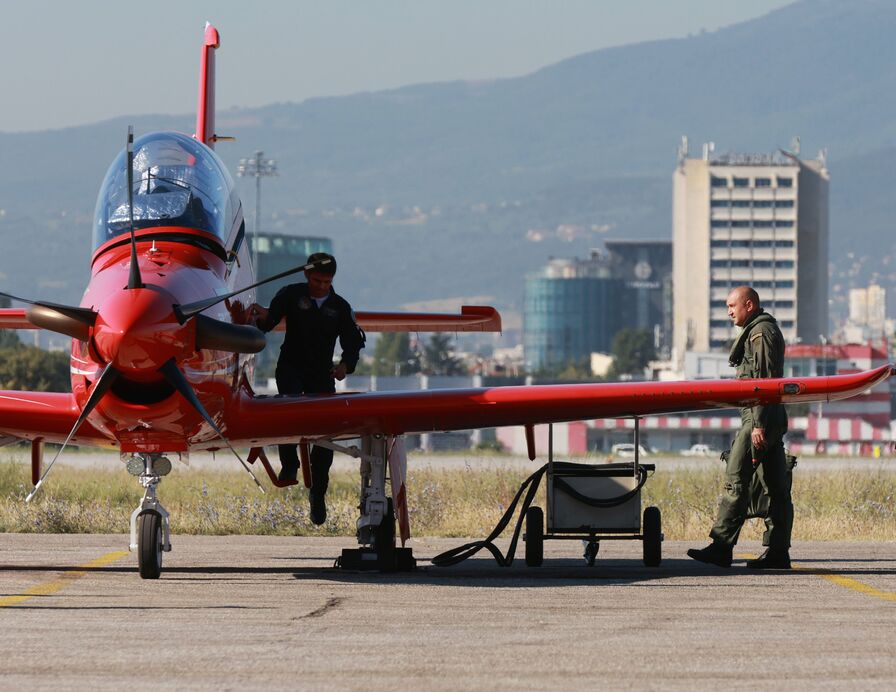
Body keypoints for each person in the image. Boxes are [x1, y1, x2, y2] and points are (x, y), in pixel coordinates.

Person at [250, 253, 365, 525]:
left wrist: (344, 366)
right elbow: (267, 324)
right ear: (306, 275)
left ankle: (318, 492)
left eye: (327, 282)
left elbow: (353, 345)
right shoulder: (290, 295)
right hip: (290, 367)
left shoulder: (340, 307)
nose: (322, 286)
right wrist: (261, 316)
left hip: (320, 373)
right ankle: (289, 465)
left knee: (325, 430)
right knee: (287, 414)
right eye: (317, 280)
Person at [687, 285, 793, 569]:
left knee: (736, 480)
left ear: (749, 305)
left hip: (759, 419)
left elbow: (763, 381)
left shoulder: (761, 334)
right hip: (765, 417)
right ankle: (778, 553)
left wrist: (757, 424)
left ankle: (721, 547)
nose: (729, 312)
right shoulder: (761, 331)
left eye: (732, 306)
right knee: (776, 488)